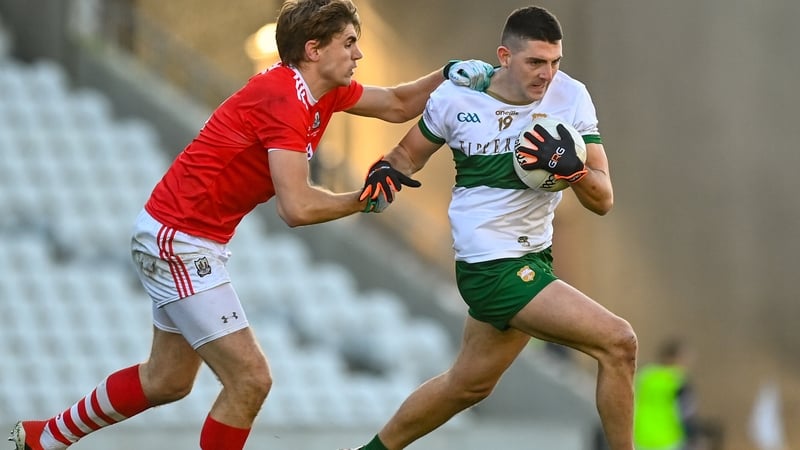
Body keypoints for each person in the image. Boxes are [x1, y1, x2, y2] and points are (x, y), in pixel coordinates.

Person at [7, 1, 494, 449]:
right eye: (349, 43)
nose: (359, 54)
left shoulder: (320, 92)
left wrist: (447, 74)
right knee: (250, 379)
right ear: (314, 49)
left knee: (166, 381)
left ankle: (39, 438)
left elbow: (398, 104)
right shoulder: (284, 99)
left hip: (182, 236)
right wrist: (362, 201)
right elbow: (296, 208)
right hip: (180, 240)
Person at [347, 5, 638, 450]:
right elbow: (406, 155)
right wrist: (386, 170)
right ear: (505, 56)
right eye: (535, 62)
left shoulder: (571, 96)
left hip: (533, 257)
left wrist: (573, 171)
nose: (547, 74)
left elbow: (603, 199)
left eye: (554, 61)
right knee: (618, 342)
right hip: (489, 264)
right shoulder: (456, 98)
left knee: (467, 386)